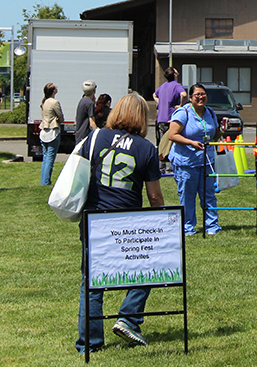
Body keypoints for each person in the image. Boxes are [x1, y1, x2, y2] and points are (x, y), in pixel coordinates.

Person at [75, 93, 164, 353]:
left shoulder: (95, 137)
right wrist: (162, 222)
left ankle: (89, 344)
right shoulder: (146, 148)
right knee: (150, 266)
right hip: (126, 221)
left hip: (93, 217)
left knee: (91, 281)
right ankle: (129, 317)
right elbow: (155, 195)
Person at [164, 84, 222, 235]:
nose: (200, 97)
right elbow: (172, 135)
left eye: (203, 94)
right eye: (197, 95)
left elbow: (214, 135)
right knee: (187, 195)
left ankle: (212, 226)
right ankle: (187, 227)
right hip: (186, 162)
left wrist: (222, 130)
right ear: (190, 98)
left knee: (208, 194)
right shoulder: (183, 113)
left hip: (206, 161)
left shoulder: (210, 112)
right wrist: (191, 143)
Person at [153, 68, 187, 173]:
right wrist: (181, 105)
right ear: (175, 75)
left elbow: (154, 94)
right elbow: (184, 94)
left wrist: (160, 102)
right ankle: (171, 167)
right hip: (171, 119)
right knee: (172, 143)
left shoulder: (163, 86)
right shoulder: (177, 86)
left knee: (162, 143)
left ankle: (161, 167)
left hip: (161, 119)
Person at [40, 83, 64, 186]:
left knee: (45, 158)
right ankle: (46, 182)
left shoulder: (44, 101)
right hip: (52, 131)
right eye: (55, 87)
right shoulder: (54, 102)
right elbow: (60, 116)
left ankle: (43, 181)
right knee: (50, 158)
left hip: (44, 130)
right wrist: (59, 120)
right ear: (53, 91)